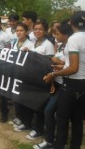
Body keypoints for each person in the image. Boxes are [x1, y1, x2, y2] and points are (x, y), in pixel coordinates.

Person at [43, 11, 85, 149]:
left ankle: (59, 145)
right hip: (83, 83)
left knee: (62, 118)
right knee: (77, 120)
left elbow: (73, 68)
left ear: (71, 23)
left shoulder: (74, 39)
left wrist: (53, 75)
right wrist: (62, 66)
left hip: (72, 84)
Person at [33, 22, 73, 149]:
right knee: (54, 113)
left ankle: (51, 141)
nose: (55, 36)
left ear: (66, 35)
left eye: (57, 33)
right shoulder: (61, 46)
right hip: (58, 83)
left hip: (66, 85)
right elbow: (60, 64)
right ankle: (54, 140)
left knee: (50, 111)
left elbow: (72, 67)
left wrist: (58, 66)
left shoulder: (71, 48)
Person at [14, 20, 54, 140]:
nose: (37, 31)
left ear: (45, 31)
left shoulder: (48, 45)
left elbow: (50, 63)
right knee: (28, 102)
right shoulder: (33, 42)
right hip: (30, 78)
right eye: (35, 29)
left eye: (40, 29)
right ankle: (27, 124)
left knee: (39, 106)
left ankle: (38, 129)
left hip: (42, 80)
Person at [9, 22, 34, 127]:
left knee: (23, 98)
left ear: (27, 32)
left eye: (21, 30)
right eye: (17, 31)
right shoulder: (15, 43)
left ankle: (24, 120)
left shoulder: (30, 45)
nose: (19, 32)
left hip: (25, 75)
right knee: (16, 97)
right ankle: (18, 117)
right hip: (15, 73)